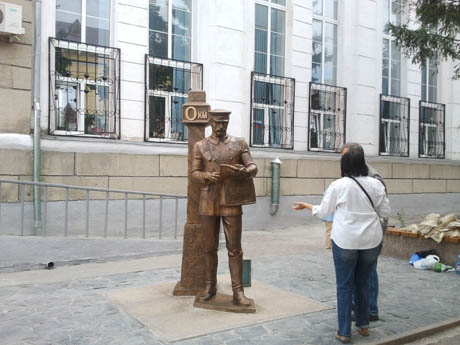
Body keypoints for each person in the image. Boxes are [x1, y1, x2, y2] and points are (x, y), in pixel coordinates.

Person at [293, 143, 390, 343]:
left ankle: (344, 331)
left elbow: (323, 211)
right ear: (363, 161)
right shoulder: (376, 185)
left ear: (344, 163)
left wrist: (306, 206)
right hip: (371, 241)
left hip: (345, 241)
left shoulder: (339, 185)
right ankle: (363, 326)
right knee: (363, 282)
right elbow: (385, 213)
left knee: (344, 285)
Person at [191, 109, 258, 306]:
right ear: (211, 122)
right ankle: (210, 285)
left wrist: (245, 171)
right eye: (218, 123)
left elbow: (253, 166)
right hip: (209, 199)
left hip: (232, 199)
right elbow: (194, 172)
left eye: (224, 123)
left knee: (234, 248)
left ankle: (238, 291)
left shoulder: (239, 143)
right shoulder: (200, 146)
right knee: (209, 247)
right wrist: (206, 176)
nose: (221, 127)